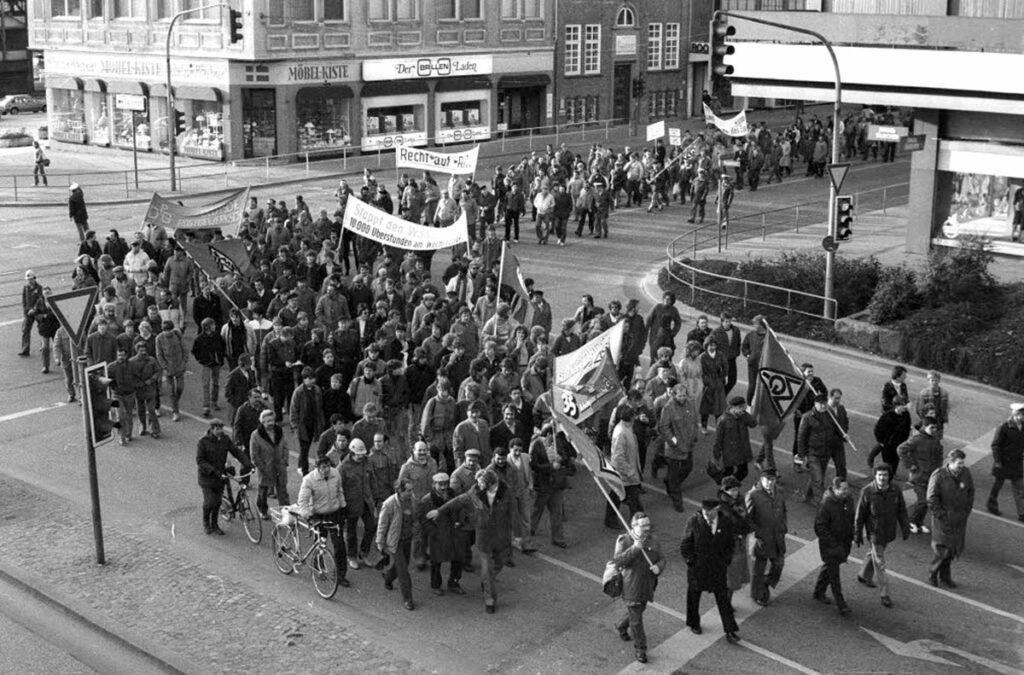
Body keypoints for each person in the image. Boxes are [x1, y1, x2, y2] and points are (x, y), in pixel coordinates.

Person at [428, 468, 515, 614]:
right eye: (478, 483)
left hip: (501, 536)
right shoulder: (474, 493)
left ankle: (487, 581)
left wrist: (516, 533)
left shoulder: (506, 492)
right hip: (484, 538)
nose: (479, 486)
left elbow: (513, 512)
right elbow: (456, 501)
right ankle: (489, 599)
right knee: (487, 570)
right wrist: (439, 511)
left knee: (499, 563)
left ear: (492, 484)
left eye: (482, 484)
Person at [680, 499, 741, 641]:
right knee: (694, 597)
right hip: (698, 568)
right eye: (704, 512)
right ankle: (693, 623)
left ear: (717, 509)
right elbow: (685, 544)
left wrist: (725, 561)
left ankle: (730, 629)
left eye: (709, 512)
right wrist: (691, 561)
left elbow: (730, 545)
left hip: (717, 568)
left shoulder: (725, 522)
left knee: (723, 599)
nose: (706, 515)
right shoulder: (694, 521)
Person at [854, 462, 909, 609]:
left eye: (885, 475)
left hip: (888, 531)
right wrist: (858, 533)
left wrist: (905, 528)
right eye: (880, 475)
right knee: (880, 563)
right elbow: (860, 515)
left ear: (889, 476)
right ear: (875, 475)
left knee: (875, 553)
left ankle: (863, 574)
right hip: (875, 533)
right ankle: (884, 594)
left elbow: (901, 510)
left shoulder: (895, 490)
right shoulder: (867, 492)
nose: (882, 478)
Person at [612, 512, 664, 665]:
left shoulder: (654, 540)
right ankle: (640, 649)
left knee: (639, 611)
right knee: (637, 620)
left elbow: (662, 558)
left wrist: (659, 567)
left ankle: (621, 626)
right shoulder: (624, 540)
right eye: (643, 526)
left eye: (648, 525)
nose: (647, 528)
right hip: (631, 585)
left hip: (648, 584)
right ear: (634, 526)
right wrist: (634, 549)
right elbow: (618, 561)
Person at [297, 455, 352, 588]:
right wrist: (308, 515)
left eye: (328, 466)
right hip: (318, 516)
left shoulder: (336, 474)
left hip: (334, 514)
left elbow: (339, 491)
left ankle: (340, 575)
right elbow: (303, 501)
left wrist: (343, 506)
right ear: (317, 468)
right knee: (319, 544)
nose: (326, 469)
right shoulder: (309, 480)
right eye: (323, 467)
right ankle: (318, 567)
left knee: (339, 545)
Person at [926, 448, 974, 589]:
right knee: (943, 549)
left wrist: (967, 509)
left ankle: (945, 576)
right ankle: (933, 573)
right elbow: (931, 498)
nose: (962, 466)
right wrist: (941, 515)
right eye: (959, 463)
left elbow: (971, 491)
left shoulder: (966, 473)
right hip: (943, 519)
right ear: (951, 462)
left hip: (959, 518)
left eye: (963, 463)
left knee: (952, 549)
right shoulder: (939, 475)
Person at [196, 418, 251, 535]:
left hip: (220, 476)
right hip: (207, 477)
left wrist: (248, 464)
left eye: (221, 428)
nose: (220, 431)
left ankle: (214, 524)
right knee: (210, 502)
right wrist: (213, 471)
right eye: (217, 429)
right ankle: (206, 523)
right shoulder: (203, 442)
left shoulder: (225, 439)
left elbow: (236, 452)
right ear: (211, 429)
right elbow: (200, 460)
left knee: (217, 502)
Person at [812, 478, 855, 616]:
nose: (846, 492)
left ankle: (819, 592)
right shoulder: (826, 504)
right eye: (843, 489)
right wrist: (833, 544)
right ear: (835, 489)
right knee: (834, 575)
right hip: (831, 546)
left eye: (847, 489)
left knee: (829, 568)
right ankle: (841, 604)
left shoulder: (848, 500)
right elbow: (819, 527)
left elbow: (850, 518)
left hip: (843, 543)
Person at [417, 472, 464, 595]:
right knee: (436, 562)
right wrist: (434, 533)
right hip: (437, 535)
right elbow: (423, 520)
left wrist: (459, 522)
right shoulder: (426, 500)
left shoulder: (453, 495)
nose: (443, 487)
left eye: (445, 484)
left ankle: (454, 583)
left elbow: (459, 509)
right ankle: (435, 585)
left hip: (453, 533)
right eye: (440, 484)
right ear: (434, 484)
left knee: (457, 559)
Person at [746, 469, 787, 606]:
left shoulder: (779, 491)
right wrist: (757, 534)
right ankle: (757, 594)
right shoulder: (753, 495)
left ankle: (766, 582)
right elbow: (747, 519)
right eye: (767, 479)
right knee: (760, 567)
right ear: (761, 479)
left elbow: (783, 510)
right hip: (762, 538)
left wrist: (783, 527)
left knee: (779, 563)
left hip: (777, 535)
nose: (770, 482)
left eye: (773, 479)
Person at [656, 383, 699, 512]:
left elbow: (694, 421)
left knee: (688, 467)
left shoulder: (690, 404)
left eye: (684, 395)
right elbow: (664, 428)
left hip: (688, 444)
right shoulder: (668, 408)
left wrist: (694, 435)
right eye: (680, 396)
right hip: (673, 448)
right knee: (673, 475)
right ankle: (676, 500)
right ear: (674, 395)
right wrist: (674, 442)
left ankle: (669, 483)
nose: (682, 398)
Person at [898, 416, 943, 534]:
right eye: (932, 427)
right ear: (925, 426)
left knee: (928, 502)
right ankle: (911, 521)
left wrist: (938, 470)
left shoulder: (935, 440)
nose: (934, 430)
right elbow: (901, 449)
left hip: (931, 477)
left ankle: (919, 522)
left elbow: (939, 457)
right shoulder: (916, 439)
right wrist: (910, 464)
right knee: (923, 501)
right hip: (919, 476)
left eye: (936, 428)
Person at [529, 423, 570, 548]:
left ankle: (558, 538)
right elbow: (534, 465)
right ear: (547, 434)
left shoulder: (557, 442)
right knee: (537, 510)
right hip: (542, 485)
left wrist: (561, 458)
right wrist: (550, 466)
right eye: (552, 435)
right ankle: (530, 530)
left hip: (556, 484)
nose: (555, 437)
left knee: (557, 512)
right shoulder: (536, 445)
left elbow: (565, 456)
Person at [339, 438, 376, 569]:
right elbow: (339, 488)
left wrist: (374, 497)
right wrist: (342, 505)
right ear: (352, 452)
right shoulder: (343, 467)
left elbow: (372, 480)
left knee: (371, 526)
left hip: (366, 501)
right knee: (351, 532)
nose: (361, 456)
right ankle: (352, 556)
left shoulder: (367, 462)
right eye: (358, 454)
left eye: (363, 454)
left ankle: (364, 553)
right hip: (351, 504)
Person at [605, 407, 644, 529]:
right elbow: (618, 457)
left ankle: (611, 519)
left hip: (627, 471)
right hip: (625, 473)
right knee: (628, 497)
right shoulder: (622, 432)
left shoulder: (625, 428)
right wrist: (630, 471)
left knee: (618, 495)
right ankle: (638, 523)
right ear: (631, 417)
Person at [250, 409, 290, 520]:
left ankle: (286, 512)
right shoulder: (256, 435)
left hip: (280, 467)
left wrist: (285, 461)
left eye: (271, 420)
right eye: (267, 421)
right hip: (265, 468)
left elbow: (285, 446)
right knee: (263, 491)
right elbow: (254, 455)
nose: (270, 423)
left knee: (282, 490)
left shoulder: (279, 431)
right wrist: (263, 468)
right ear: (262, 422)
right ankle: (263, 510)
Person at [987, 402, 1024, 520]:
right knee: (998, 485)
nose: (1022, 418)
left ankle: (1022, 513)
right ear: (1014, 414)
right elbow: (995, 445)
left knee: (1020, 488)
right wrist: (997, 461)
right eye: (1020, 415)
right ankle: (991, 505)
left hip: (1016, 462)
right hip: (1003, 461)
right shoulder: (1004, 426)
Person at [717, 476, 751, 604]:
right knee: (731, 575)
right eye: (732, 490)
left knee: (734, 574)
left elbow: (745, 519)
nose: (735, 493)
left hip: (739, 542)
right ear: (725, 491)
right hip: (729, 544)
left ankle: (727, 602)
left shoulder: (739, 502)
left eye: (736, 490)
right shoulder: (722, 507)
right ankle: (726, 603)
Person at [712, 396, 757, 485]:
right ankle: (726, 486)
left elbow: (753, 424)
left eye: (743, 407)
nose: (742, 410)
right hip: (729, 451)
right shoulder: (723, 420)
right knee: (728, 471)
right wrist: (716, 456)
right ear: (732, 407)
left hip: (742, 450)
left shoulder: (743, 416)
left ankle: (729, 485)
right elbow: (718, 440)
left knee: (743, 472)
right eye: (740, 408)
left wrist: (745, 414)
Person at [289, 366, 325, 476]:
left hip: (314, 423)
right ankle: (304, 470)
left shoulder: (317, 390)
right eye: (309, 378)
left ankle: (301, 465)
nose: (312, 380)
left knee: (310, 446)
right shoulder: (298, 392)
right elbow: (293, 410)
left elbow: (320, 408)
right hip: (302, 425)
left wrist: (321, 422)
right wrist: (295, 426)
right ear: (304, 379)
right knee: (304, 448)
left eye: (313, 378)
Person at [869, 395, 911, 476]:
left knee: (895, 461)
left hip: (898, 444)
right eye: (903, 405)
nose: (905, 407)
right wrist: (881, 442)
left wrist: (904, 441)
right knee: (888, 463)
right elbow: (877, 429)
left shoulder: (906, 415)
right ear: (897, 406)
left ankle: (892, 475)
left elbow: (906, 429)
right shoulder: (887, 415)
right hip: (887, 445)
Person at [191, 317, 226, 417]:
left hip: (216, 363)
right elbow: (194, 351)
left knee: (216, 383)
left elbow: (223, 347)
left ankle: (214, 401)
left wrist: (221, 357)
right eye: (213, 325)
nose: (215, 326)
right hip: (206, 364)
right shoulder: (199, 339)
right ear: (207, 327)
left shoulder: (217, 336)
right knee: (206, 384)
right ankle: (206, 406)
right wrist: (201, 360)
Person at [740, 316, 767, 403]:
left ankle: (761, 404)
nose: (754, 326)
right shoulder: (751, 334)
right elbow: (744, 346)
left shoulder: (769, 338)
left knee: (763, 386)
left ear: (761, 325)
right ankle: (749, 403)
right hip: (753, 363)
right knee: (752, 385)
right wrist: (748, 355)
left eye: (756, 324)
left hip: (765, 365)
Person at [916, 370, 949, 439]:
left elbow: (947, 407)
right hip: (927, 422)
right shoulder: (923, 393)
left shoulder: (944, 393)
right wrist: (925, 419)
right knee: (924, 440)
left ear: (939, 380)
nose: (934, 382)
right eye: (932, 380)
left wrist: (944, 418)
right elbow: (919, 409)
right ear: (928, 380)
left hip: (939, 422)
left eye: (936, 380)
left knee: (936, 441)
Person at [20, 270, 44, 358]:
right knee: (25, 330)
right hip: (28, 313)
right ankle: (25, 349)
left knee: (42, 329)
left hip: (37, 312)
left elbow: (40, 300)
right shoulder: (25, 287)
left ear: (34, 278)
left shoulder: (39, 288)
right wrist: (26, 310)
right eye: (28, 279)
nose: (29, 281)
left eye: (30, 279)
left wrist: (34, 309)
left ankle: (43, 345)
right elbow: (24, 300)